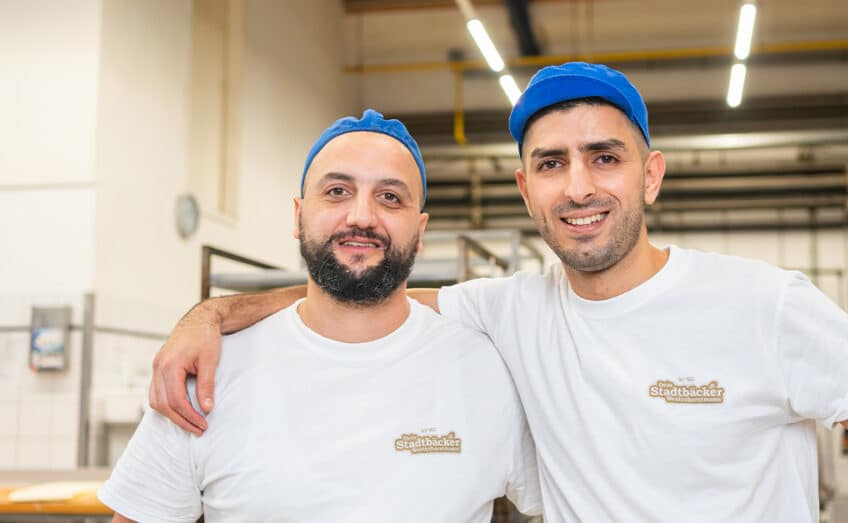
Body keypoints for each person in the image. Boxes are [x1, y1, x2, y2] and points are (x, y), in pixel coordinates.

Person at [149, 64, 848, 521]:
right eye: (553, 163)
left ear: (650, 174)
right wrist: (210, 315)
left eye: (604, 156)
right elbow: (359, 290)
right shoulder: (507, 309)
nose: (579, 186)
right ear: (525, 187)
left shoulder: (765, 305)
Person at [98, 110, 541, 522]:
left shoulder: (486, 371)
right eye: (337, 192)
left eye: (390, 197)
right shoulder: (206, 375)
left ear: (420, 231)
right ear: (299, 215)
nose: (362, 216)